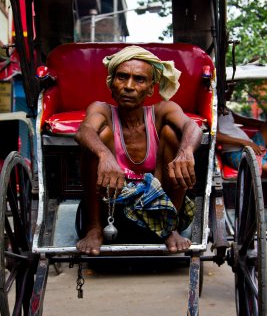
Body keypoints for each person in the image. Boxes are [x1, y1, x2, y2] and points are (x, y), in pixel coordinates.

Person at [75, 45, 202, 256]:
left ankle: (170, 229)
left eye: (139, 80)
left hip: (159, 207)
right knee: (99, 138)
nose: (129, 86)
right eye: (122, 77)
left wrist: (186, 152)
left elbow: (192, 127)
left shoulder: (162, 110)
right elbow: (84, 130)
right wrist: (104, 155)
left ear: (151, 88)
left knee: (173, 134)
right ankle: (94, 228)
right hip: (111, 208)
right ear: (111, 84)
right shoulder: (101, 109)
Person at [217, 109, 267, 175]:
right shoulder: (214, 108)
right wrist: (245, 142)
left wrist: (262, 124)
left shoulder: (225, 109)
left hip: (251, 144)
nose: (230, 97)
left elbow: (243, 120)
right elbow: (216, 135)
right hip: (234, 152)